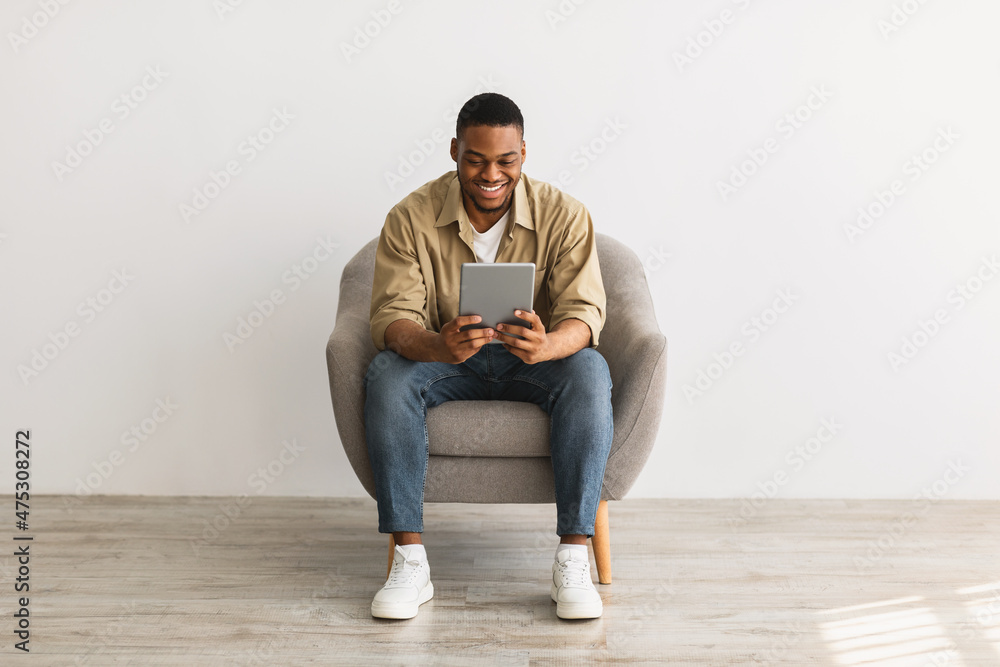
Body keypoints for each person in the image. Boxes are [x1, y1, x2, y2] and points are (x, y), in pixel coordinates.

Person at [363, 92, 613, 620]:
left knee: (590, 367)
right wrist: (436, 344)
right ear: (455, 151)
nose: (491, 174)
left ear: (524, 152)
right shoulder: (409, 217)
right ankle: (410, 562)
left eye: (506, 160)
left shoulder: (564, 214)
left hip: (533, 363)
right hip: (446, 360)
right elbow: (392, 318)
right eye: (476, 159)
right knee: (386, 372)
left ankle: (573, 558)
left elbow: (585, 315)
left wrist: (546, 346)